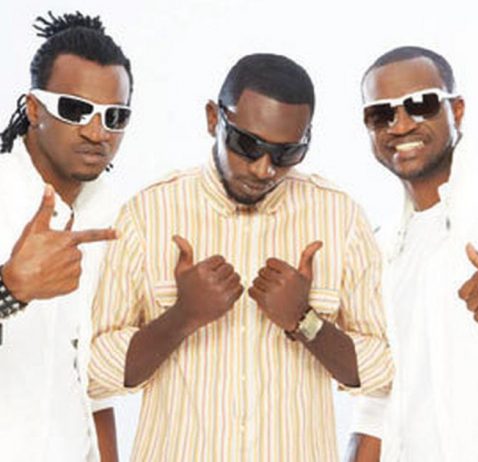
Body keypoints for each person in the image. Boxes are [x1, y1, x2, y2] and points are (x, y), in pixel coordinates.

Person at [89, 53, 393, 462]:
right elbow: (92, 371)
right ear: (213, 118)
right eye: (247, 145)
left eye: (286, 153)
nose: (264, 169)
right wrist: (182, 316)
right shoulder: (147, 215)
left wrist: (306, 322)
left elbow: (384, 370)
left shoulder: (340, 219)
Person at [348, 46, 478, 462]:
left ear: (457, 110)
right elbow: (377, 406)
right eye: (381, 113)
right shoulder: (380, 252)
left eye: (421, 104)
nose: (400, 125)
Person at [0, 11, 133, 462]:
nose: (97, 132)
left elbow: (88, 385)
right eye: (76, 110)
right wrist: (8, 289)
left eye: (114, 116)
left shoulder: (111, 216)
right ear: (34, 108)